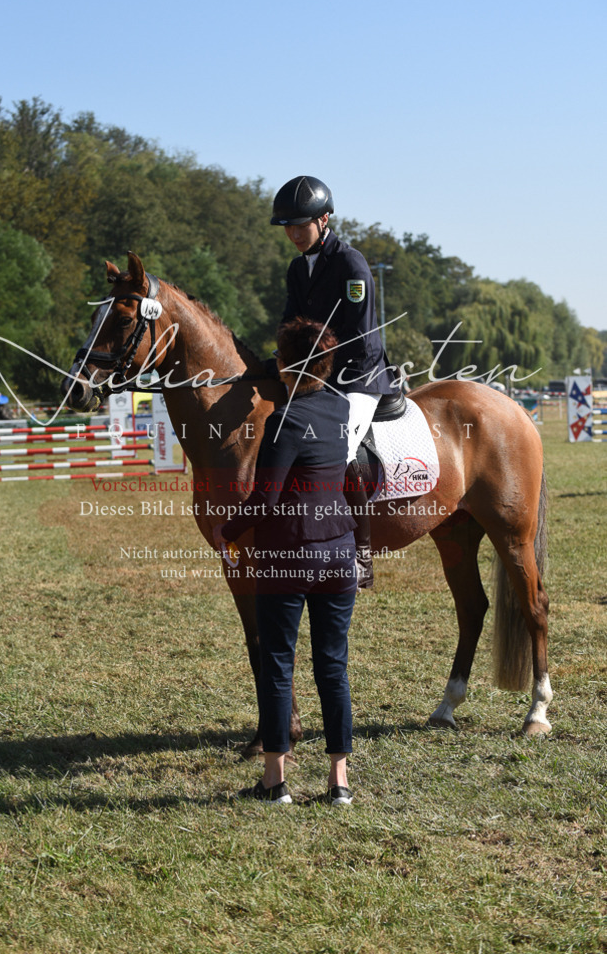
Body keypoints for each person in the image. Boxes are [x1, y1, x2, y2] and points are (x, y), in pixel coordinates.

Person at [214, 317, 358, 806]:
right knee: (333, 666)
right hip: (339, 552)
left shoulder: (283, 420)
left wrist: (226, 530)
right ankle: (339, 782)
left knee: (278, 662)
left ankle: (275, 782)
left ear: (286, 364)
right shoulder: (340, 408)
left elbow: (266, 499)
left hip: (290, 557)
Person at [271, 175, 400, 587]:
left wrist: (317, 371)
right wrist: (281, 357)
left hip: (357, 375)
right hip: (314, 375)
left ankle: (362, 554)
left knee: (338, 450)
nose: (294, 234)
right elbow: (291, 324)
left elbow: (358, 335)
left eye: (300, 225)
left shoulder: (351, 264)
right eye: (288, 227)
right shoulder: (297, 268)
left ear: (323, 220)